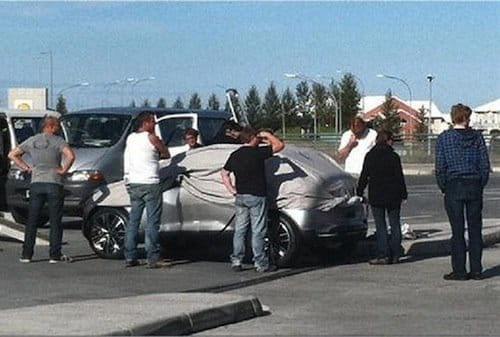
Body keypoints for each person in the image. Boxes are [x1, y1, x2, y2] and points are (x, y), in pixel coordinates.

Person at [8, 115, 75, 263]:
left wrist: (26, 167)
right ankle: (54, 254)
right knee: (55, 220)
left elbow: (12, 154)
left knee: (32, 219)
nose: (57, 129)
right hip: (54, 182)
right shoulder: (58, 141)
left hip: (36, 182)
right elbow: (70, 156)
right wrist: (63, 170)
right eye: (56, 126)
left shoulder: (32, 140)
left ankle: (26, 254)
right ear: (51, 126)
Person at [435, 104, 490, 281]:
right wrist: (480, 183)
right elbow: (484, 164)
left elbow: (440, 166)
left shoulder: (444, 138)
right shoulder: (477, 137)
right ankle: (476, 270)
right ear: (467, 117)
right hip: (474, 184)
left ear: (453, 118)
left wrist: (443, 186)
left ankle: (459, 270)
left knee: (457, 231)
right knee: (475, 230)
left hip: (453, 185)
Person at [221, 127, 284, 272]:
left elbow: (224, 173)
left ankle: (237, 260)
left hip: (240, 196)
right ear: (253, 138)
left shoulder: (235, 155)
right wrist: (267, 135)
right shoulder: (258, 153)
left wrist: (232, 190)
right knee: (258, 230)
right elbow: (280, 145)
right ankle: (260, 263)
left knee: (240, 230)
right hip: (256, 195)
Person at [123, 111, 171, 269]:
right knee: (152, 222)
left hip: (133, 182)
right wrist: (157, 150)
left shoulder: (131, 138)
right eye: (153, 122)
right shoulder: (152, 138)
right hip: (150, 182)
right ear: (146, 123)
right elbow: (166, 153)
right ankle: (153, 257)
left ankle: (130, 255)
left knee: (133, 221)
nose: (155, 125)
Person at [357, 129, 407, 265]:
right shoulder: (394, 157)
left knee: (381, 226)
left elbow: (364, 176)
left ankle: (383, 254)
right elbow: (399, 177)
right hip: (393, 195)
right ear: (388, 140)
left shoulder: (370, 156)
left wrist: (359, 191)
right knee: (395, 224)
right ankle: (396, 254)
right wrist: (404, 193)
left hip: (377, 195)